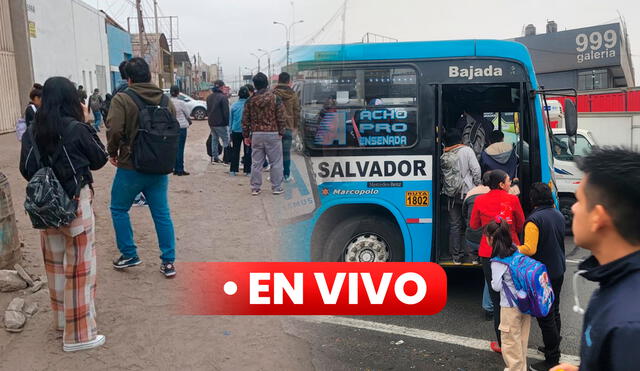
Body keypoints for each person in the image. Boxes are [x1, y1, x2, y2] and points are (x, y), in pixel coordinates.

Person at [19, 76, 108, 352]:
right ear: (72, 99)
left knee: (55, 267)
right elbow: (100, 159)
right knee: (80, 269)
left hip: (46, 206)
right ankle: (79, 334)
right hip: (74, 202)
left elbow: (25, 169)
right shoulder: (77, 129)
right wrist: (88, 124)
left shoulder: (32, 131)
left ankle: (61, 322)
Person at [551, 148, 640, 371]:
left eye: (579, 200)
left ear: (598, 218)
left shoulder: (629, 328)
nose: (572, 207)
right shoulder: (616, 279)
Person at [106, 57, 178, 278]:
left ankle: (129, 253)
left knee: (119, 209)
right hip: (159, 166)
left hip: (131, 166)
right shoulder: (166, 100)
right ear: (149, 75)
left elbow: (115, 129)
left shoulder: (123, 99)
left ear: (129, 78)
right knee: (161, 213)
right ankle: (168, 262)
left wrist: (113, 152)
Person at [470, 169, 525, 353]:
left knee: (496, 298)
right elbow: (520, 223)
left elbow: (474, 225)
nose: (511, 184)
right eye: (509, 181)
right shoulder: (513, 200)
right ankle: (518, 339)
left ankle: (502, 344)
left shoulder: (480, 200)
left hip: (488, 252)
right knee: (516, 294)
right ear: (502, 184)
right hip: (512, 250)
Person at [517, 183, 565, 371]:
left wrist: (513, 249)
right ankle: (553, 347)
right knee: (555, 310)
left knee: (546, 316)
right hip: (558, 269)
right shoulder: (558, 215)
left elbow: (530, 248)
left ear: (533, 200)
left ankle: (552, 359)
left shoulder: (534, 220)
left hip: (543, 275)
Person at [489, 217, 532, 371]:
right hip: (525, 304)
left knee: (510, 345)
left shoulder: (497, 261)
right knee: (521, 342)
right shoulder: (517, 251)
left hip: (509, 307)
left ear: (492, 238)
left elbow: (496, 286)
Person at [242, 72, 286, 195]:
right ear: (266, 83)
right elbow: (281, 117)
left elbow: (245, 119)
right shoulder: (276, 98)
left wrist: (246, 135)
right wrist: (281, 132)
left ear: (255, 85)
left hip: (256, 134)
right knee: (276, 162)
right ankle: (276, 187)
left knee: (256, 162)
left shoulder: (250, 101)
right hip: (273, 133)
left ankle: (255, 188)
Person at [441, 128, 481, 264]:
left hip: (451, 194)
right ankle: (473, 256)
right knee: (470, 224)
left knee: (455, 225)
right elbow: (476, 170)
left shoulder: (445, 152)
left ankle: (456, 257)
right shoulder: (467, 150)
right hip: (468, 194)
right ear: (460, 139)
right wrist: (477, 185)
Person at [273, 72, 300, 182]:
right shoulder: (293, 94)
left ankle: (275, 175)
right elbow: (296, 111)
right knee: (286, 152)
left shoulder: (273, 93)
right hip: (288, 126)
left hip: (275, 127)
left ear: (278, 80)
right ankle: (286, 175)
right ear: (289, 81)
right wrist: (295, 125)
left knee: (274, 153)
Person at [206, 80, 230, 164]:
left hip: (211, 122)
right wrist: (227, 123)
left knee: (214, 139)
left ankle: (215, 158)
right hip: (221, 123)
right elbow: (226, 112)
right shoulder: (223, 97)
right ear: (221, 87)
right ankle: (226, 159)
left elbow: (208, 110)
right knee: (226, 140)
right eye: (223, 86)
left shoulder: (209, 97)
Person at [170, 85, 191, 176]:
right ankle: (180, 169)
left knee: (173, 148)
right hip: (181, 127)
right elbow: (188, 113)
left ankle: (174, 168)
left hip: (171, 127)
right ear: (178, 92)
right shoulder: (181, 103)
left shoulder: (167, 102)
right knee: (180, 148)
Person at [229, 86, 250, 176]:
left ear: (239, 95)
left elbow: (230, 120)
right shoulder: (249, 106)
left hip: (235, 131)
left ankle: (233, 170)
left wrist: (230, 132)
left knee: (235, 151)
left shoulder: (234, 106)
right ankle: (248, 171)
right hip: (247, 132)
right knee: (248, 151)